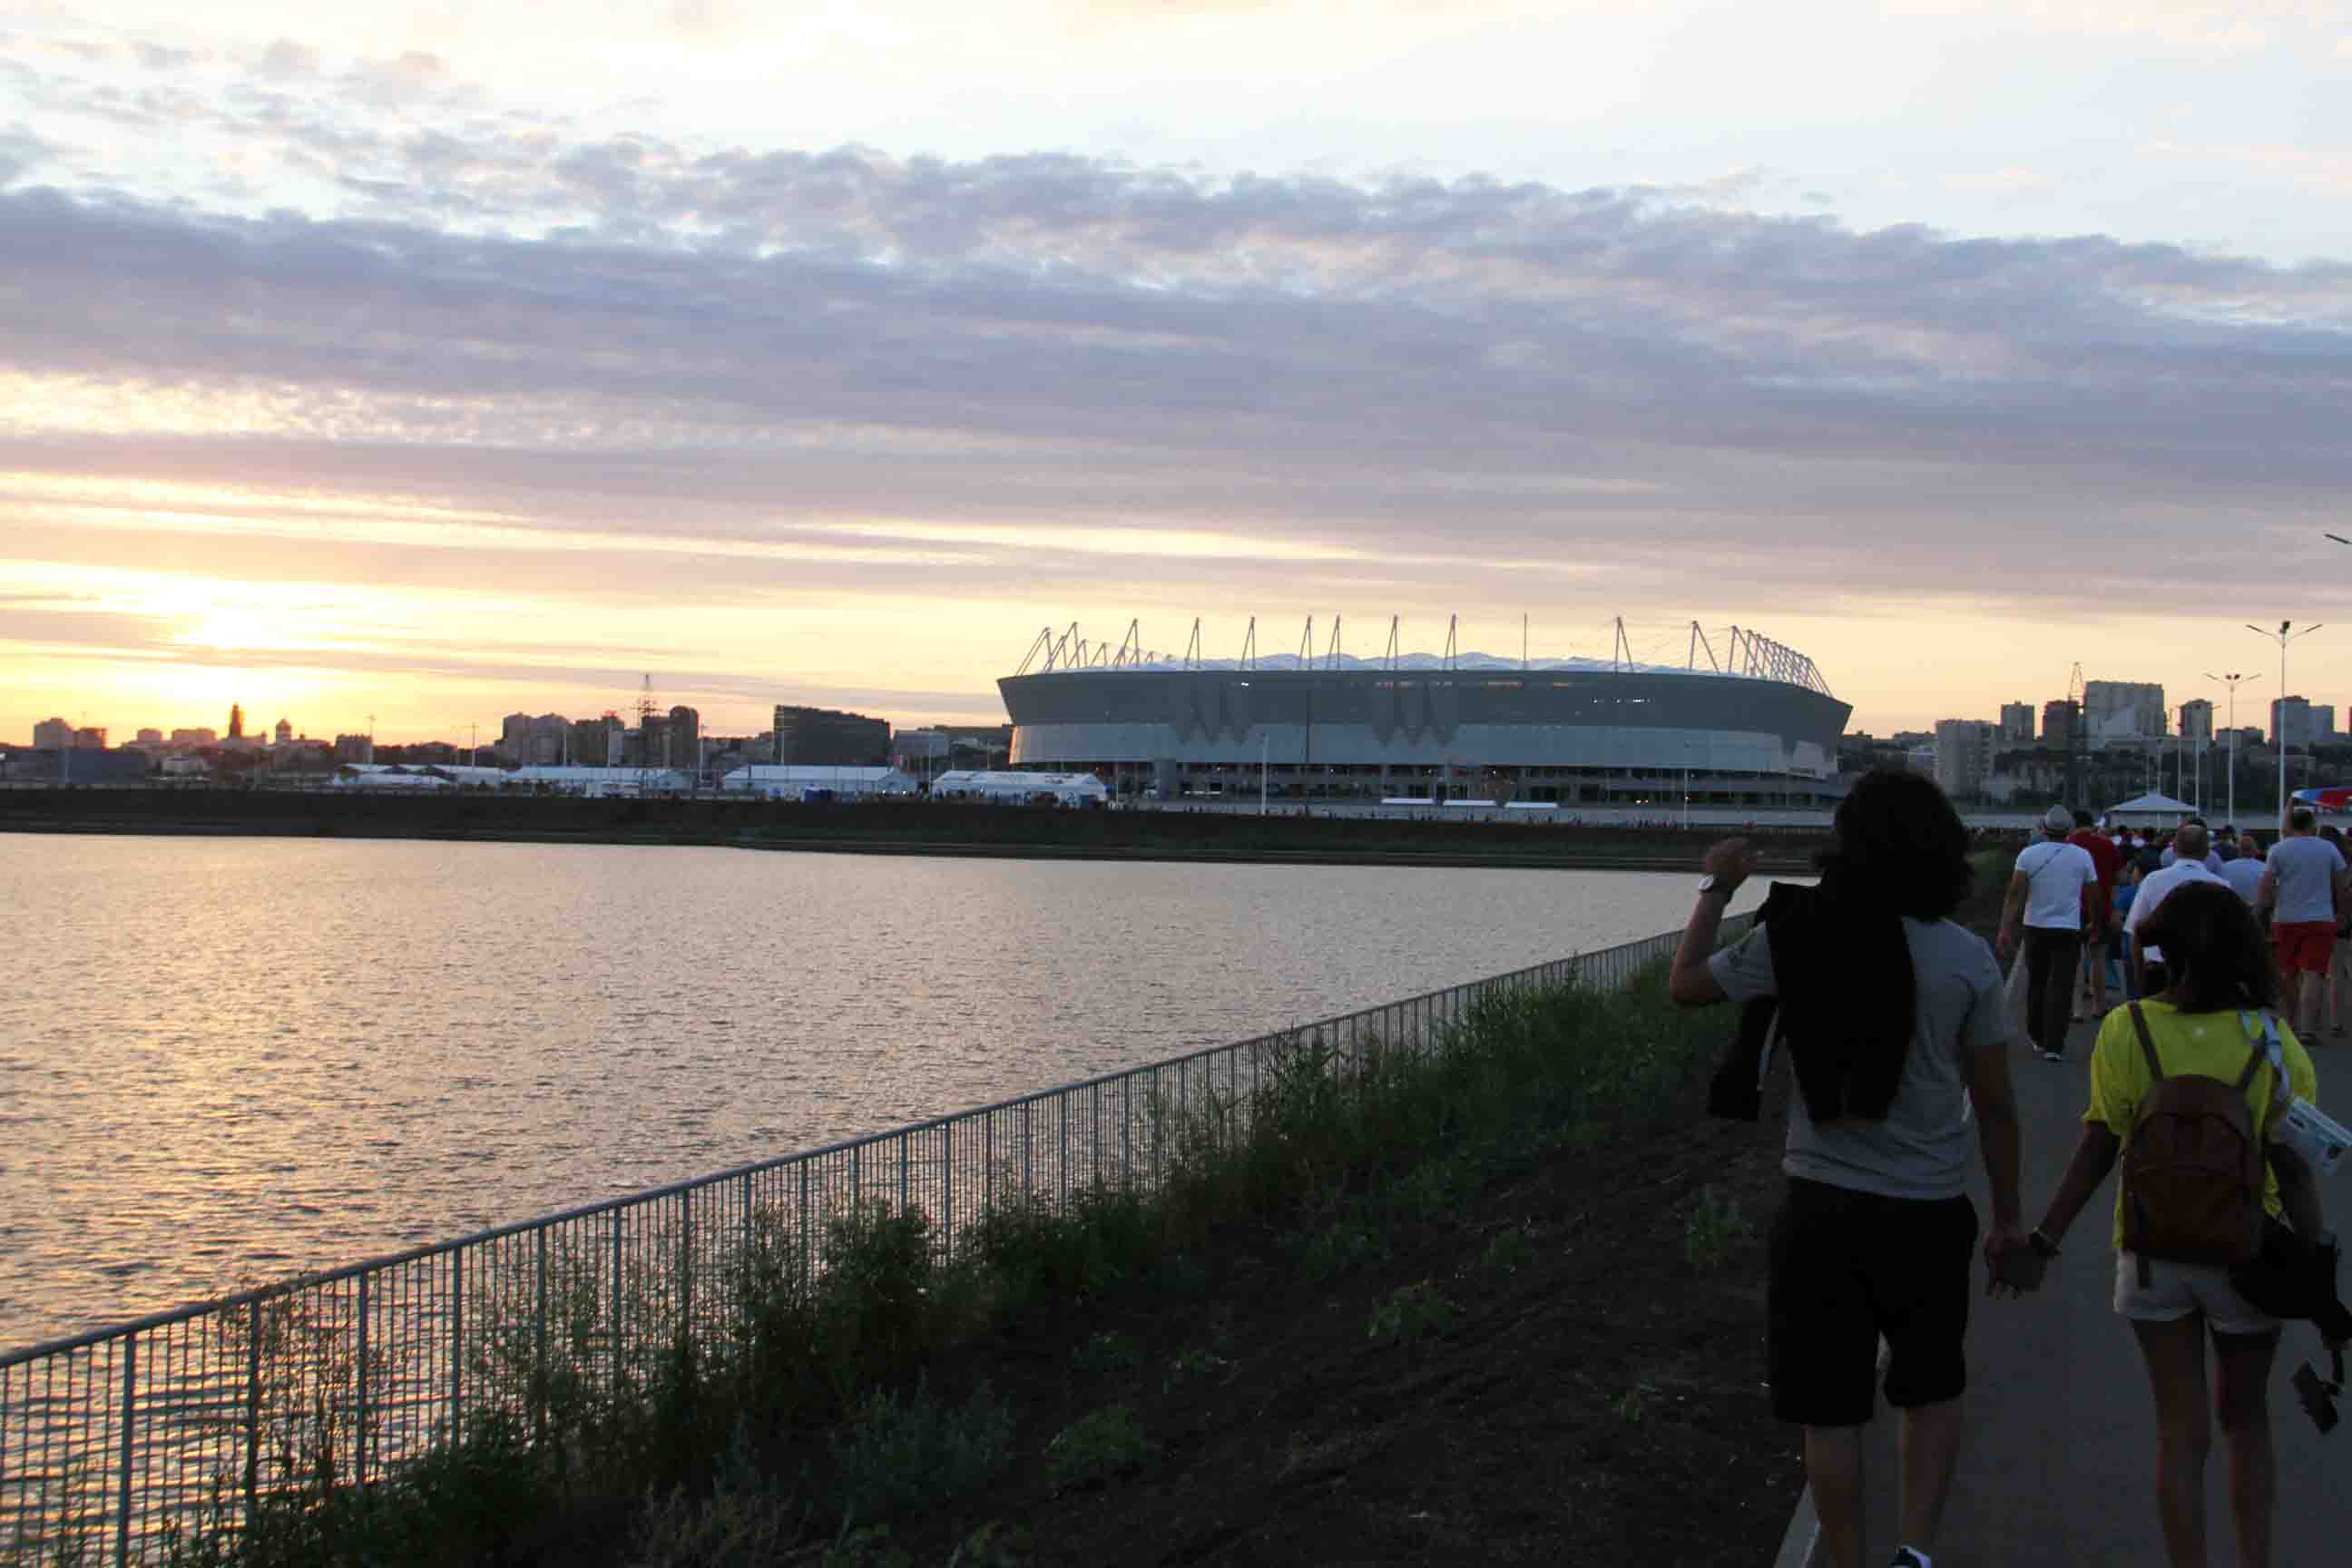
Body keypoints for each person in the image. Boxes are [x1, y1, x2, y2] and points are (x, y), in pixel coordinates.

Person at [1669, 770, 2025, 1568]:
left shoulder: (1799, 934)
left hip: (1822, 1210)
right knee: (1930, 1387)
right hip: (1929, 1210)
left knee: (1828, 1409)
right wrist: (2008, 1217)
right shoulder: (1966, 959)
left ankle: (1848, 1561)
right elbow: (1997, 1105)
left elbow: (1686, 985)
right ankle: (1918, 1553)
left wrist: (1715, 888)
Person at [2026, 883, 2325, 1568]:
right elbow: (2296, 1161)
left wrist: (2044, 1238)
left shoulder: (2125, 1029)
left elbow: (2100, 1143)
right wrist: (2316, 1256)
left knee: (2178, 1432)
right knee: (2246, 1423)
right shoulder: (2272, 1040)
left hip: (2152, 1252)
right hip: (2250, 1251)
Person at [1999, 805, 2101, 1062]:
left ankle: (2036, 1036)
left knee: (2037, 983)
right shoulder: (2082, 856)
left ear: (2043, 829)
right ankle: (2055, 1045)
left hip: (2035, 927)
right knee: (2062, 986)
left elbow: (2014, 895)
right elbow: (2094, 895)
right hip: (2068, 929)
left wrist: (2005, 929)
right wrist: (2095, 922)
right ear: (2070, 831)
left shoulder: (2028, 855)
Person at [2256, 808, 2347, 1040]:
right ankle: (2307, 1029)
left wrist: (2265, 908)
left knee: (2288, 973)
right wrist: (2343, 912)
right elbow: (2340, 885)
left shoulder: (2278, 849)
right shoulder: (2328, 848)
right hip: (2320, 918)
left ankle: (2289, 1024)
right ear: (2312, 824)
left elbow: (2266, 884)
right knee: (2313, 973)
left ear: (2291, 824)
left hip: (2285, 918)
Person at [2126, 824, 2229, 996]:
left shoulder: (2153, 880)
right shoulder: (2222, 885)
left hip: (2158, 970)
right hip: (2204, 972)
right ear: (2207, 851)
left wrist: (2139, 979)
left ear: (2173, 847)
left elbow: (2135, 931)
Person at [2070, 808, 2123, 1021]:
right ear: (2091, 823)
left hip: (2072, 910)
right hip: (2100, 909)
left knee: (2074, 960)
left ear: (2073, 824)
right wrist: (2114, 908)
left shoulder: (2067, 846)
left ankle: (2075, 1010)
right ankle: (2098, 1007)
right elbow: (2119, 878)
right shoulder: (2107, 844)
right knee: (2097, 959)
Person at [2221, 831, 2268, 906]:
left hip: (2231, 909)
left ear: (2239, 850)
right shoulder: (2264, 868)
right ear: (2255, 851)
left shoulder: (2225, 867)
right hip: (2256, 911)